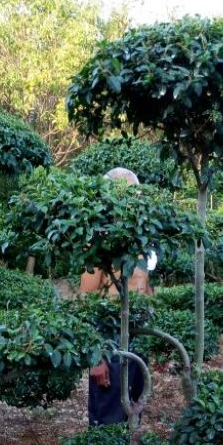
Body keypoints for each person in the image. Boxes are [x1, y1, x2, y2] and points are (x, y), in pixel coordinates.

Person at [84, 167, 154, 425]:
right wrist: (95, 357)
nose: (130, 201)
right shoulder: (97, 243)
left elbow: (147, 290)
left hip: (138, 341)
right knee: (107, 422)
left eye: (134, 195)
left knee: (133, 418)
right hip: (110, 344)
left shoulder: (143, 243)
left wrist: (152, 343)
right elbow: (87, 302)